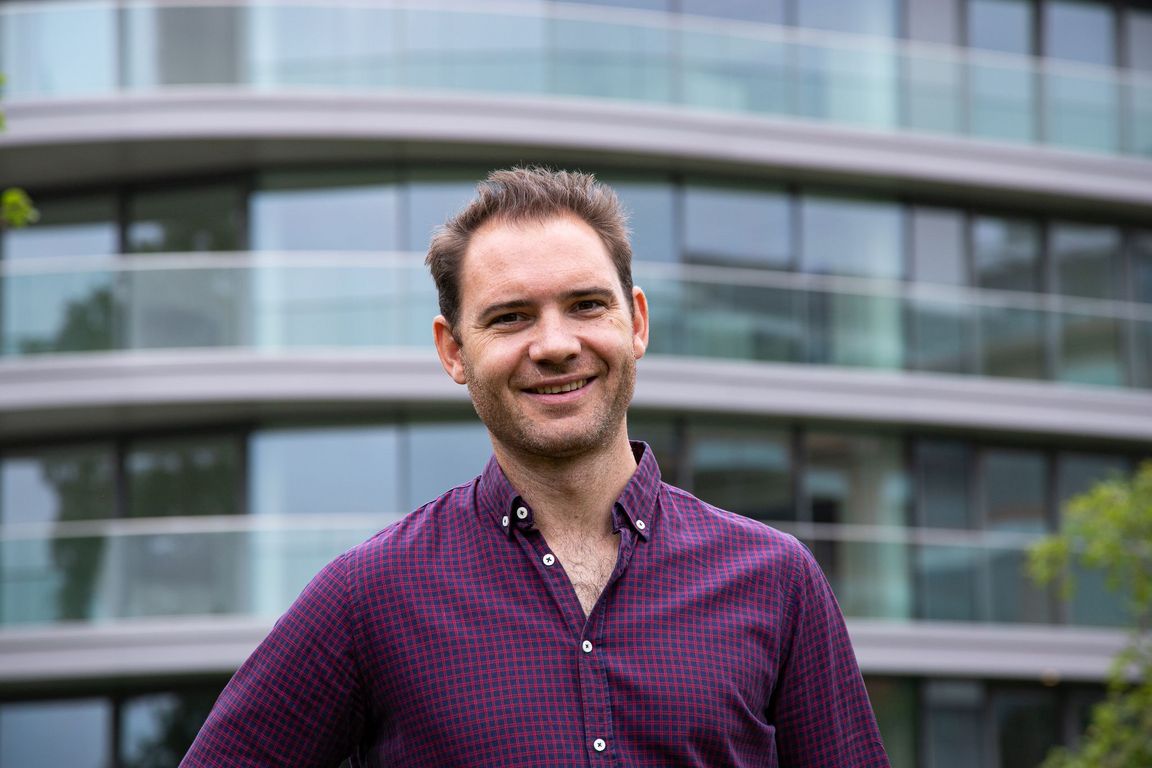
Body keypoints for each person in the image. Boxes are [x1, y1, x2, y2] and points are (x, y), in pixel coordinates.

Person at [181, 167, 890, 767]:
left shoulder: (777, 581)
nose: (554, 345)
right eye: (511, 317)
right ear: (453, 351)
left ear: (637, 323)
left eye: (586, 306)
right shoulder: (370, 596)